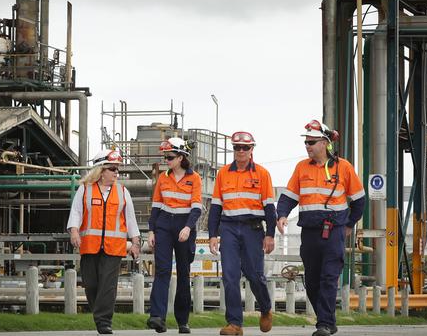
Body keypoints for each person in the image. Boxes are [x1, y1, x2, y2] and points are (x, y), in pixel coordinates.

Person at [276, 120, 365, 336]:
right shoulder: (301, 168)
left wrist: (349, 224)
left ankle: (323, 324)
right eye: (306, 142)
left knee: (328, 277)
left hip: (334, 232)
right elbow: (289, 196)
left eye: (311, 142)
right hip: (310, 232)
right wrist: (282, 215)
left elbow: (359, 200)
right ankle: (328, 320)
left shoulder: (343, 167)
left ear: (325, 143)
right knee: (313, 280)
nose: (307, 146)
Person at [208, 131, 275, 336]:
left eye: (245, 147)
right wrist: (213, 235)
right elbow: (216, 207)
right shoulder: (223, 173)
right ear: (233, 149)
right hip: (228, 228)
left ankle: (265, 308)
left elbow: (270, 208)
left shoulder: (262, 174)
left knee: (255, 275)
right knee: (229, 276)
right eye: (237, 147)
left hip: (253, 229)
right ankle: (235, 323)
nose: (241, 151)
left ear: (252, 149)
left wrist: (270, 234)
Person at [67, 149, 141, 335]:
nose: (117, 173)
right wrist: (74, 231)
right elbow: (76, 213)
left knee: (108, 284)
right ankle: (99, 315)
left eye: (117, 169)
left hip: (114, 247)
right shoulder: (84, 189)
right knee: (91, 284)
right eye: (112, 169)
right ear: (101, 170)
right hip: (89, 246)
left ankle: (104, 321)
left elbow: (130, 219)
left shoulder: (123, 192)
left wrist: (135, 242)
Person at [147, 137, 202, 334]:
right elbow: (155, 207)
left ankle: (182, 321)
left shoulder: (194, 178)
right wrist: (151, 230)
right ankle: (157, 317)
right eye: (165, 157)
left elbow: (196, 208)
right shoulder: (163, 177)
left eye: (170, 157)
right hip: (164, 225)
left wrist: (188, 228)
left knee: (183, 274)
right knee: (162, 271)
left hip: (184, 226)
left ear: (181, 157)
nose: (166, 160)